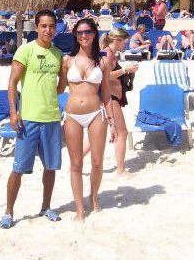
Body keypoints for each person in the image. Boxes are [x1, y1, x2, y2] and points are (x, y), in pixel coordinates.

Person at [0, 9, 64, 229]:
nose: (48, 30)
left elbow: (61, 86)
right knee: (18, 169)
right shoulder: (25, 50)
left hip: (52, 118)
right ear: (36, 27)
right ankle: (9, 211)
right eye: (44, 26)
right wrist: (13, 112)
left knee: (50, 167)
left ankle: (46, 207)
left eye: (52, 26)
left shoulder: (58, 54)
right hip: (28, 119)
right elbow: (12, 82)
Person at [59, 18, 115, 221]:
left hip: (96, 114)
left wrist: (112, 120)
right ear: (75, 35)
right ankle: (80, 209)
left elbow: (107, 93)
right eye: (80, 32)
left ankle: (94, 197)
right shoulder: (66, 60)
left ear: (94, 34)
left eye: (88, 32)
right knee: (75, 163)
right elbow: (57, 88)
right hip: (72, 115)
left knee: (98, 162)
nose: (84, 35)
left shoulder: (103, 61)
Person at [97, 28, 138, 175]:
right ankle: (120, 170)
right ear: (117, 40)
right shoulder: (108, 54)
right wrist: (125, 70)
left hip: (107, 97)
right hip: (110, 98)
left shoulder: (105, 52)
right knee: (122, 133)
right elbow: (105, 76)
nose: (125, 46)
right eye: (124, 43)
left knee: (97, 135)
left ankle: (75, 165)